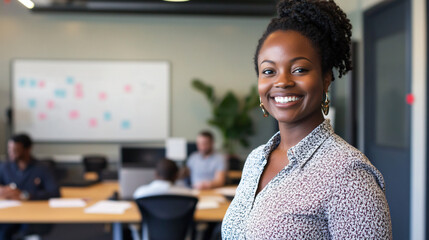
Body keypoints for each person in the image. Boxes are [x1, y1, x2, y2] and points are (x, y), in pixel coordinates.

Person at [222, 0, 392, 239]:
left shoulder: (347, 173)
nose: (282, 82)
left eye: (299, 69)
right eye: (269, 71)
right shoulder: (255, 160)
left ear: (325, 79)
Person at [0, 133, 61, 240]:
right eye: (9, 149)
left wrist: (25, 195)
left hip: (33, 214)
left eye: (15, 150)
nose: (11, 153)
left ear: (27, 149)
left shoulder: (42, 168)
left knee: (29, 233)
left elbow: (55, 192)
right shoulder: (5, 167)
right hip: (9, 214)